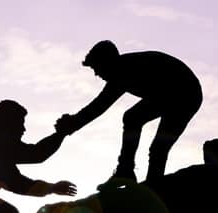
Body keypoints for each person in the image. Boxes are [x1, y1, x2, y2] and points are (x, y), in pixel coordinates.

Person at [55, 40, 203, 188]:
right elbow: (98, 106)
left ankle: (145, 181)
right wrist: (72, 123)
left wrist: (72, 124)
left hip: (185, 94)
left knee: (155, 143)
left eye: (97, 68)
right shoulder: (121, 70)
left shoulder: (123, 70)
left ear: (106, 62)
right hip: (173, 92)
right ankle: (131, 173)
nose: (96, 74)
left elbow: (98, 106)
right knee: (137, 123)